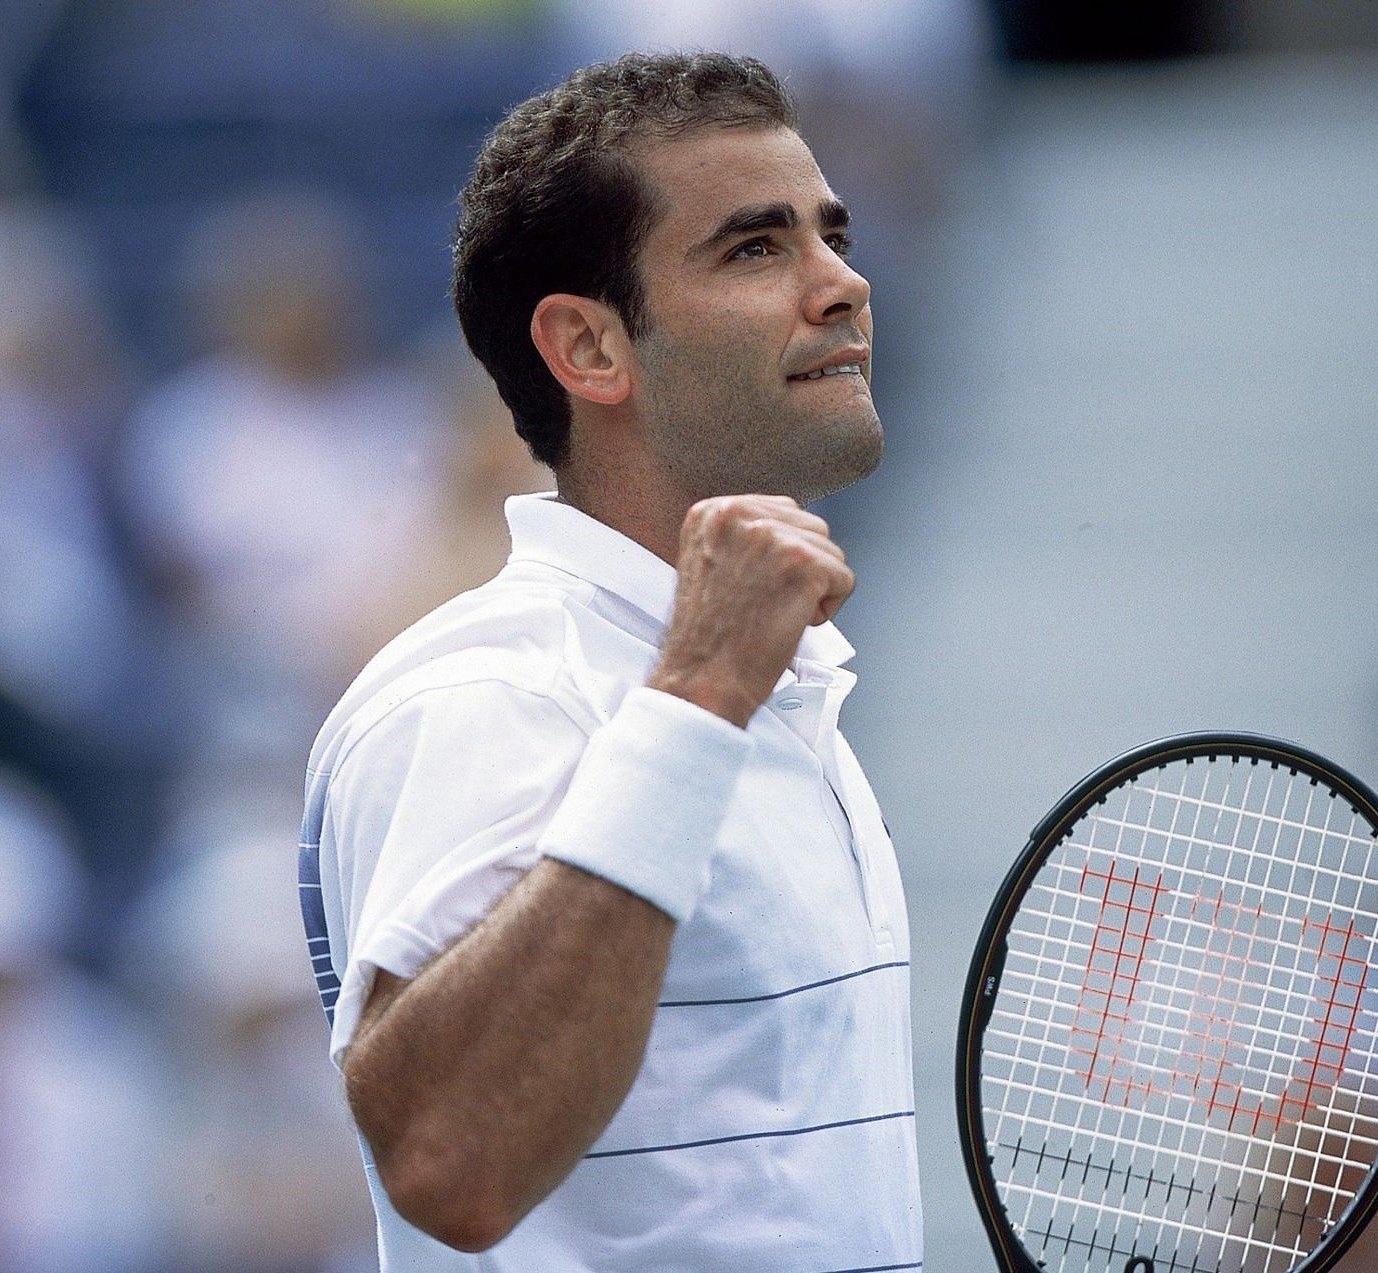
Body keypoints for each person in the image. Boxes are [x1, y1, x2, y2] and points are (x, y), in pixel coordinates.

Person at [299, 51, 921, 1270]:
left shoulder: (780, 687)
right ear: (589, 350)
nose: (843, 284)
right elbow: (449, 1164)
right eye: (756, 247)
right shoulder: (487, 694)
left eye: (829, 236)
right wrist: (696, 699)